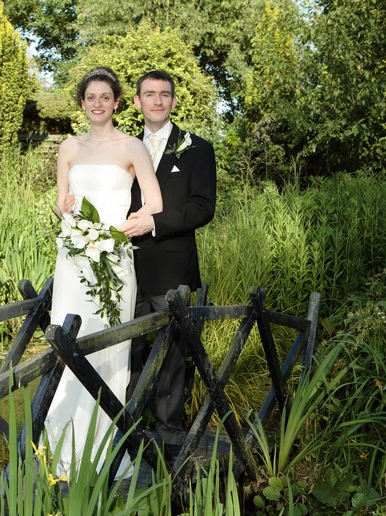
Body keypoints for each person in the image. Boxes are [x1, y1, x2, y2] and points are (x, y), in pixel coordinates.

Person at [43, 66, 162, 478]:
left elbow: (154, 203)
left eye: (105, 97)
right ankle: (61, 448)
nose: (97, 104)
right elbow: (61, 202)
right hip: (74, 259)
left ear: (116, 103)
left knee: (108, 345)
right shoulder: (69, 148)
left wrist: (128, 227)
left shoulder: (132, 147)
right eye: (90, 97)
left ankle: (104, 447)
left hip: (113, 257)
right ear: (81, 103)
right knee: (69, 339)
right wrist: (64, 207)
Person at [120, 70, 217, 460]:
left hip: (173, 268)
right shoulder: (123, 148)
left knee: (173, 354)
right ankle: (128, 431)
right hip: (126, 268)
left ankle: (170, 437)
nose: (157, 100)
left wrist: (155, 223)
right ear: (137, 102)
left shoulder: (197, 149)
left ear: (174, 101)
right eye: (149, 94)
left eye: (164, 94)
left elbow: (202, 208)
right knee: (127, 349)